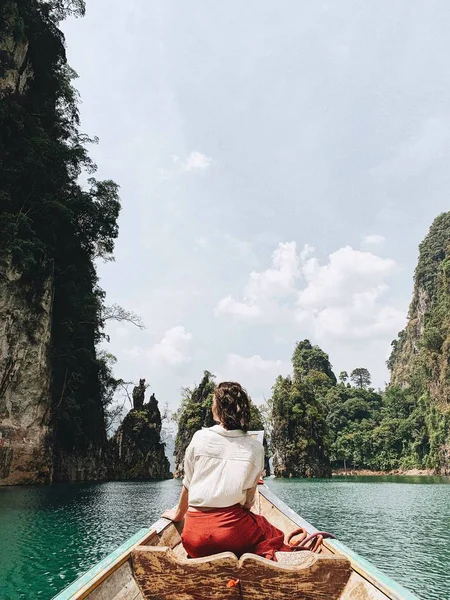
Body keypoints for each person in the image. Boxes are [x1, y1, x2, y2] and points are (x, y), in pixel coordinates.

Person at [162, 381, 292, 560]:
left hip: (194, 540)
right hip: (231, 536)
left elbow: (188, 485)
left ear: (219, 410)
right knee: (270, 531)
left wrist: (177, 514)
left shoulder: (199, 438)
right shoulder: (255, 448)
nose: (211, 406)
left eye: (214, 403)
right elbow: (247, 502)